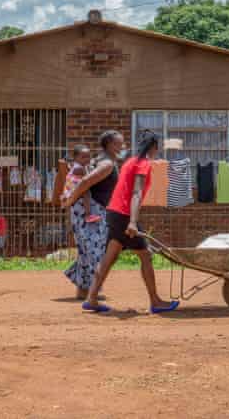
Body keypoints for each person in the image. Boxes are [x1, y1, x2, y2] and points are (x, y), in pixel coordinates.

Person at [82, 130, 179, 314]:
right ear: (154, 147)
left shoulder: (130, 162)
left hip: (114, 212)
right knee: (145, 255)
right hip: (125, 215)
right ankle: (156, 302)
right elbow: (136, 193)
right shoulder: (143, 164)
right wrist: (133, 222)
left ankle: (92, 298)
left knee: (109, 257)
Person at [63, 131, 123, 300]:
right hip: (91, 212)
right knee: (94, 251)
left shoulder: (98, 161)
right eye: (119, 144)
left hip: (90, 210)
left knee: (87, 251)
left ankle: (83, 290)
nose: (122, 147)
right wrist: (69, 200)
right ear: (110, 144)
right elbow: (84, 182)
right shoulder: (106, 164)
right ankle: (91, 291)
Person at [62, 145, 102, 224]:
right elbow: (88, 177)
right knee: (86, 192)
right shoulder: (80, 168)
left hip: (74, 189)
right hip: (72, 190)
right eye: (83, 157)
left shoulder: (80, 166)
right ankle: (88, 215)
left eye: (88, 157)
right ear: (76, 158)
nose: (87, 159)